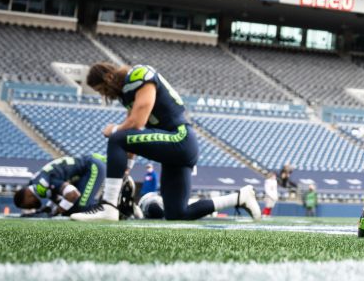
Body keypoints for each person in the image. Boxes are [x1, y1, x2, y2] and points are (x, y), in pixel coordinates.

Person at [78, 61, 261, 221]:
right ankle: (240, 197)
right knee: (177, 213)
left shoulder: (139, 74)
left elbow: (137, 123)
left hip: (180, 138)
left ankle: (108, 206)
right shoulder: (127, 94)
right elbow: (132, 131)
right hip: (177, 151)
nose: (104, 95)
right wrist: (127, 168)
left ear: (109, 77)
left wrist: (114, 129)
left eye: (102, 89)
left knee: (116, 137)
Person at [13, 153, 110, 218]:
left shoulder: (41, 184)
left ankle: (109, 211)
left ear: (27, 196)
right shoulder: (36, 183)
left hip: (92, 167)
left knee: (81, 208)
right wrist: (49, 209)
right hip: (84, 171)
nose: (30, 208)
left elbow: (73, 194)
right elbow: (59, 198)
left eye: (28, 206)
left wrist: (54, 213)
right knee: (70, 210)